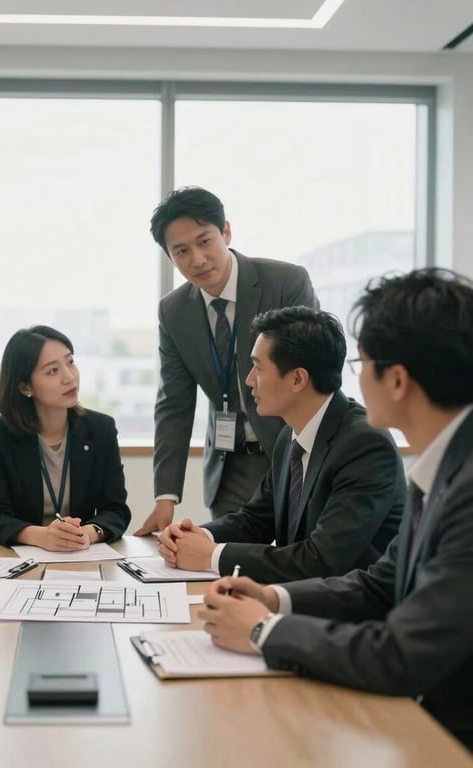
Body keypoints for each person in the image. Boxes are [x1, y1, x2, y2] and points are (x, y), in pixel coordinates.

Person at [198, 269, 473, 751]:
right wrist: (273, 599)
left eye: (362, 362)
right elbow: (378, 584)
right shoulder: (443, 467)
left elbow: (399, 655)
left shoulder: (460, 486)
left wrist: (264, 631)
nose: (355, 377)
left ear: (398, 380)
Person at [157, 306, 404, 583]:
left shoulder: (365, 446)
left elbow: (321, 560)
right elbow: (256, 519)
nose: (249, 380)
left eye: (258, 367)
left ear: (298, 379)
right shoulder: (290, 436)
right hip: (302, 602)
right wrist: (197, 536)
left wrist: (211, 555)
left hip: (352, 614)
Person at [136, 186, 319, 534]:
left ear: (227, 232)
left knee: (297, 567)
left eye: (205, 241)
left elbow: (315, 372)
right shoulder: (174, 311)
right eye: (181, 251)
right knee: (229, 572)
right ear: (169, 257)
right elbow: (173, 402)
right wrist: (165, 496)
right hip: (229, 464)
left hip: (294, 451)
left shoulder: (285, 283)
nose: (197, 259)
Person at [0, 325, 131, 549]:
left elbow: (116, 510)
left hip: (83, 556)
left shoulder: (101, 430)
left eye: (70, 363)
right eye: (52, 371)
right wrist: (41, 536)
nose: (69, 378)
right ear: (25, 386)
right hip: (23, 559)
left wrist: (88, 532)